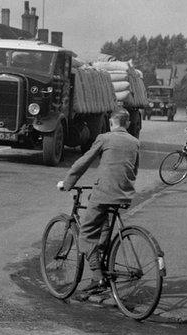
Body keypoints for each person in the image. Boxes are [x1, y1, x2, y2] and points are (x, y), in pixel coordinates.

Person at [56, 108, 139, 292]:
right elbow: (134, 169)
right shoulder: (135, 142)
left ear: (111, 123)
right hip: (124, 195)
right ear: (127, 124)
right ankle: (102, 269)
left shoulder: (104, 138)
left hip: (104, 194)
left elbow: (84, 161)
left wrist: (68, 182)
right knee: (104, 231)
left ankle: (97, 275)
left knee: (86, 234)